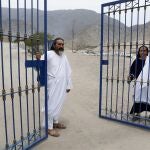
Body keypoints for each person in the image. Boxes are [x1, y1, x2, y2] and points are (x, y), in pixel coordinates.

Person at [36, 37, 72, 137]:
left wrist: (69, 84)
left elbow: (68, 71)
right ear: (54, 45)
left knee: (58, 104)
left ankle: (55, 122)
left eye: (62, 44)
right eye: (59, 44)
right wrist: (38, 60)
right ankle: (49, 128)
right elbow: (39, 67)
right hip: (52, 85)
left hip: (62, 85)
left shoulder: (64, 56)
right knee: (51, 106)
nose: (61, 46)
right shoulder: (48, 54)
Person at [127, 45, 150, 120]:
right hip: (139, 83)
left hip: (149, 84)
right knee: (138, 98)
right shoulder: (136, 61)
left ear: (147, 52)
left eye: (144, 50)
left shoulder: (149, 61)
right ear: (139, 52)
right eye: (141, 50)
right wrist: (130, 77)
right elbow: (133, 71)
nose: (143, 52)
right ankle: (137, 114)